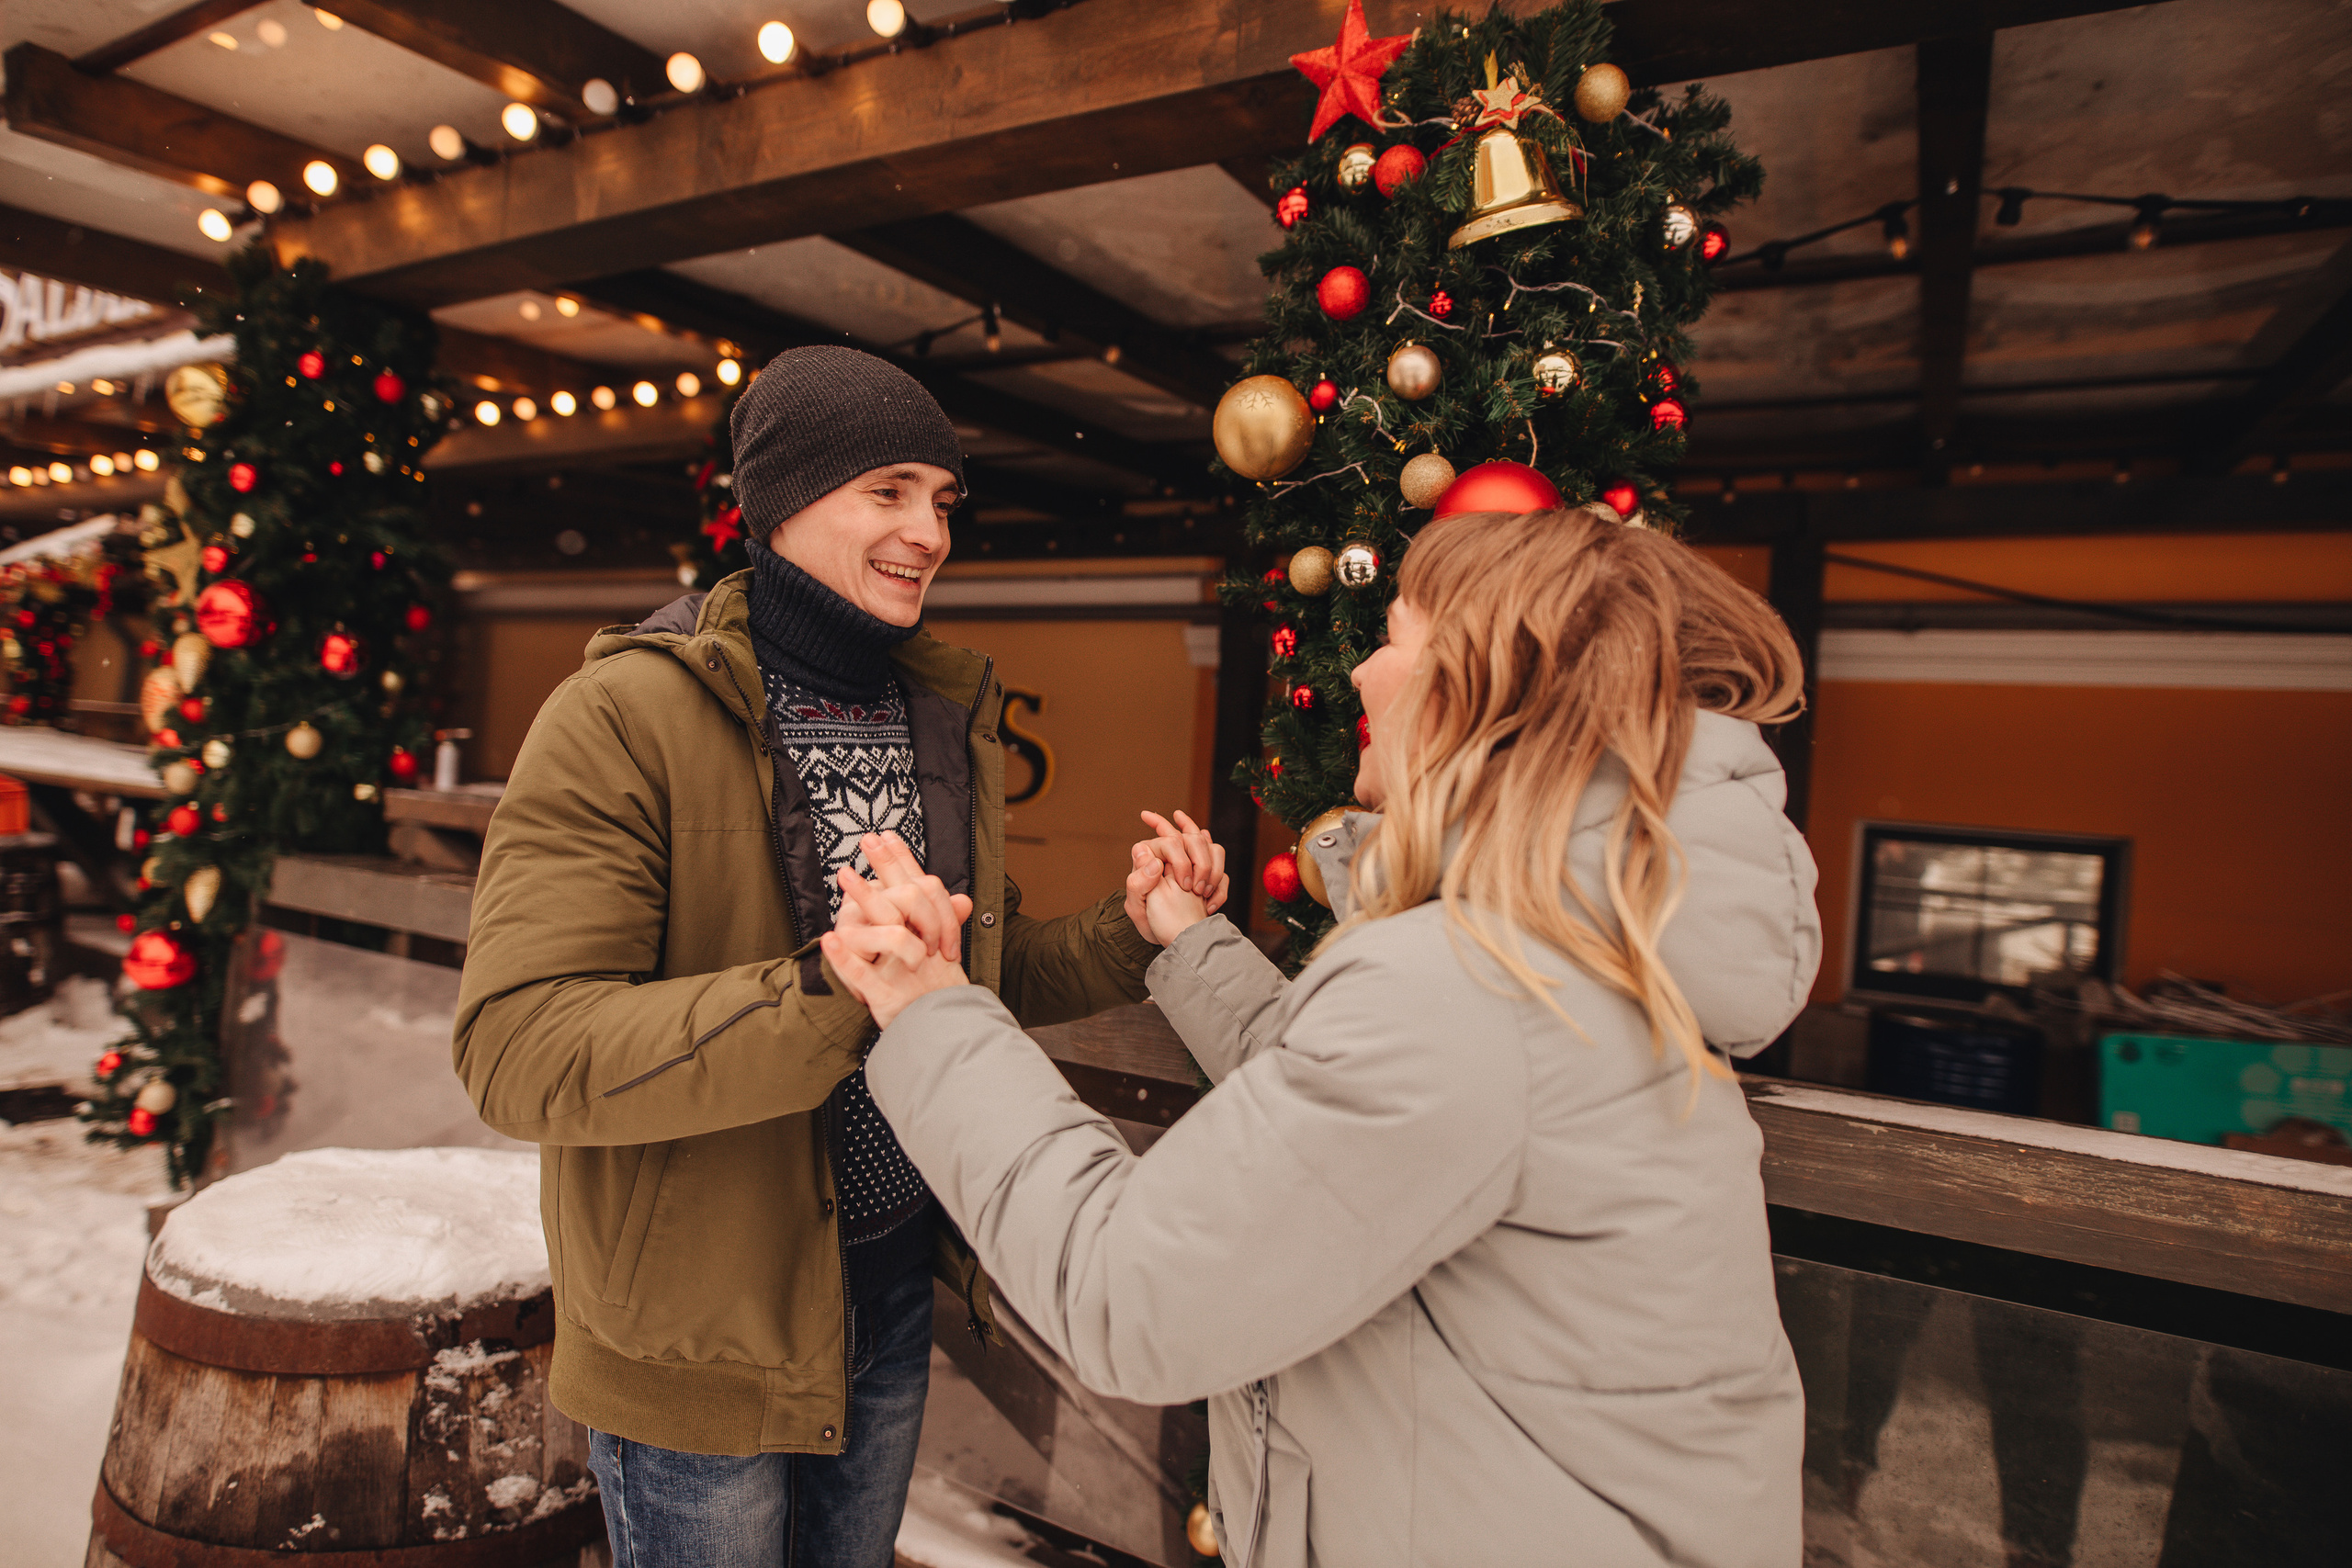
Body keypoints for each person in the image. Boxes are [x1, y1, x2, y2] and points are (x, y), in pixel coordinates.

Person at [823, 506, 1822, 1568]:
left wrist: (930, 1009)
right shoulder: (1577, 945)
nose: (1360, 677)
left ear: (1471, 681)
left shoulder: (1476, 981)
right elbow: (1347, 1145)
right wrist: (1191, 945)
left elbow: (1133, 1292)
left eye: (1394, 636)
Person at [452, 345, 1227, 1568]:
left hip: (883, 1287)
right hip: (695, 1321)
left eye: (945, 500)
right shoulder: (622, 715)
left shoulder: (937, 714)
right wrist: (822, 992)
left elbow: (967, 984)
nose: (930, 530)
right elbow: (520, 1050)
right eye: (892, 489)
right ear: (784, 499)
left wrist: (1129, 932)